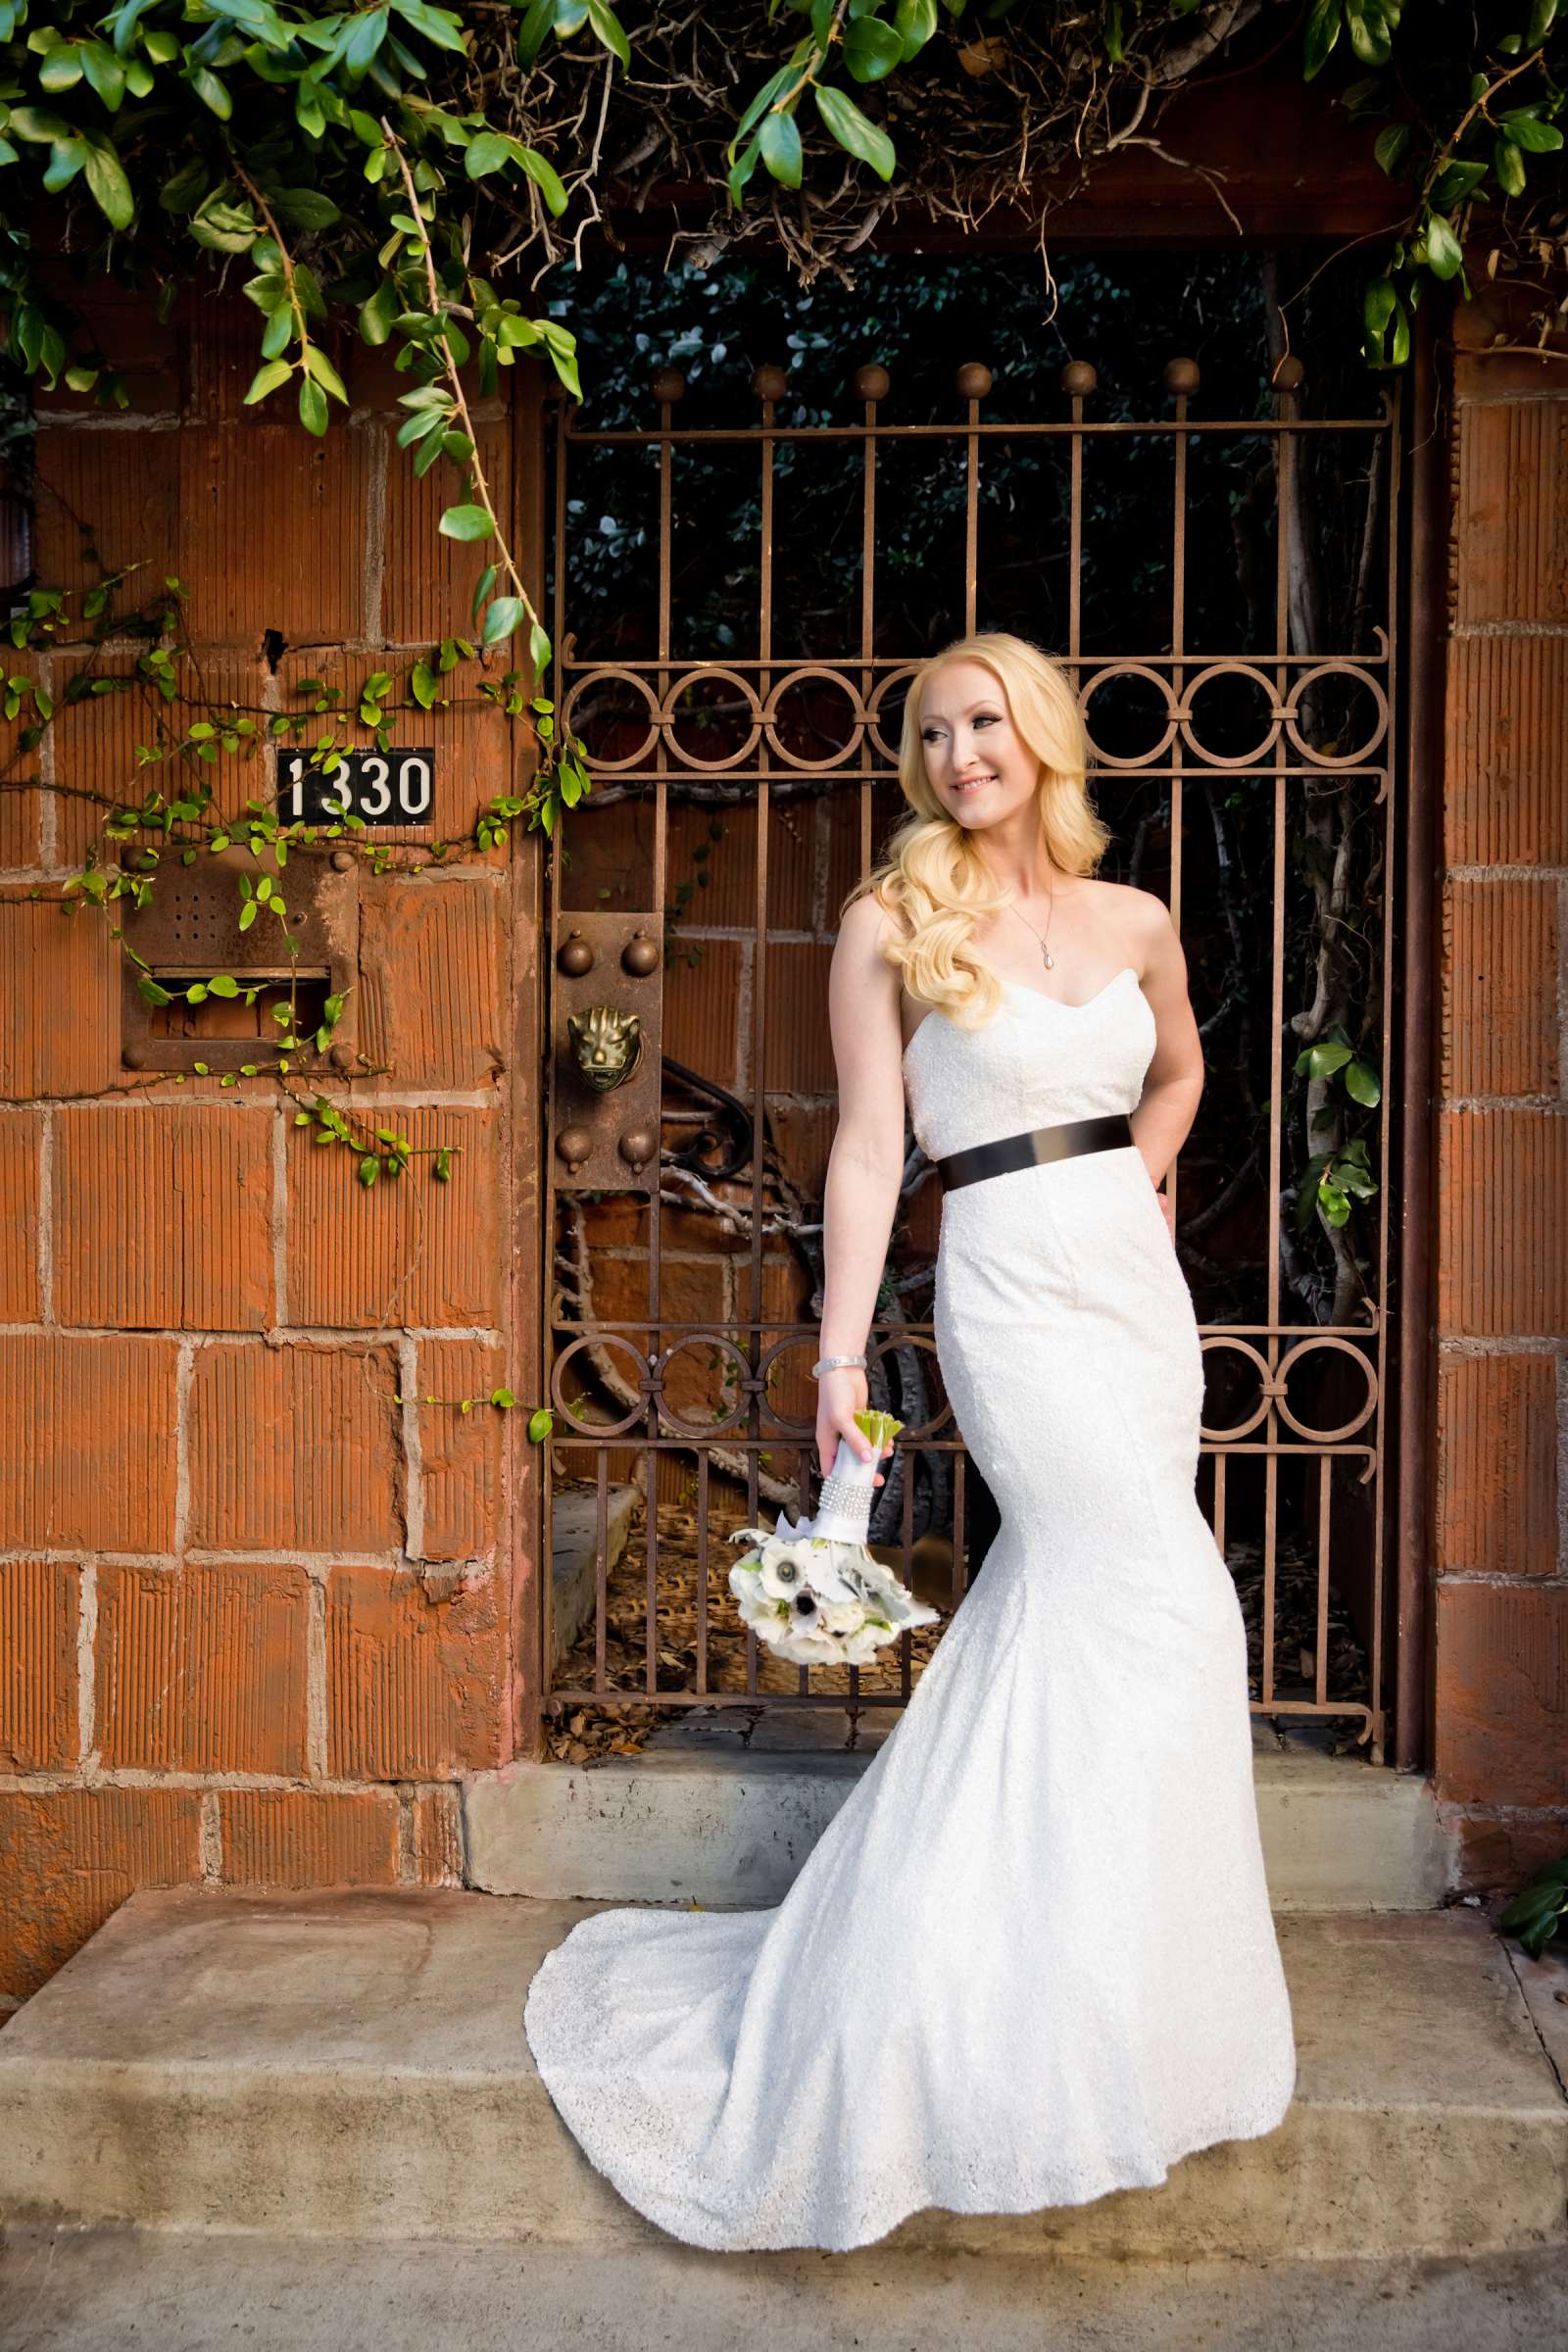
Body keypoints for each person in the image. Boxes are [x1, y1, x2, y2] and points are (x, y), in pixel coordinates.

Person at [522, 627, 1298, 2253]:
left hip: (1133, 1298)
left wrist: (1148, 1182)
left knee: (1080, 1623)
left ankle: (1086, 1974)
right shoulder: (891, 924)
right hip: (1007, 1283)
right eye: (932, 732)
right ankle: (968, 1991)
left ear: (1044, 735)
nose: (959, 754)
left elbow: (1184, 1065)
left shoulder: (1135, 917)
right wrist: (839, 1341)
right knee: (1160, 1601)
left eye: (985, 722)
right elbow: (871, 1148)